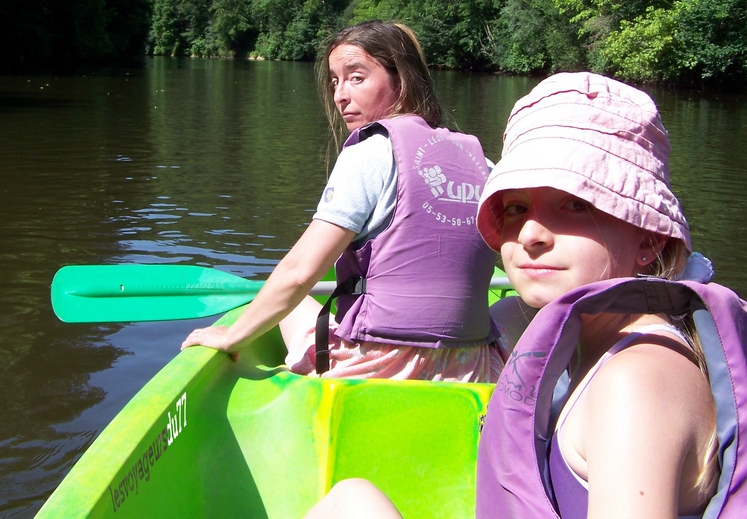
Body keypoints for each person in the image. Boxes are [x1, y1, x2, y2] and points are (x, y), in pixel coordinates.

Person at [302, 72, 747, 518]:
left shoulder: (637, 381)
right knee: (353, 499)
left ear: (648, 240)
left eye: (574, 204)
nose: (530, 232)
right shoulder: (597, 340)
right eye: (514, 207)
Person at [181, 21, 507, 383]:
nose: (339, 95)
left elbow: (299, 272)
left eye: (356, 78)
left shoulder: (370, 152)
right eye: (335, 81)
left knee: (286, 303)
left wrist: (233, 335)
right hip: (472, 367)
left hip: (380, 368)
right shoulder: (483, 163)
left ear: (402, 78)